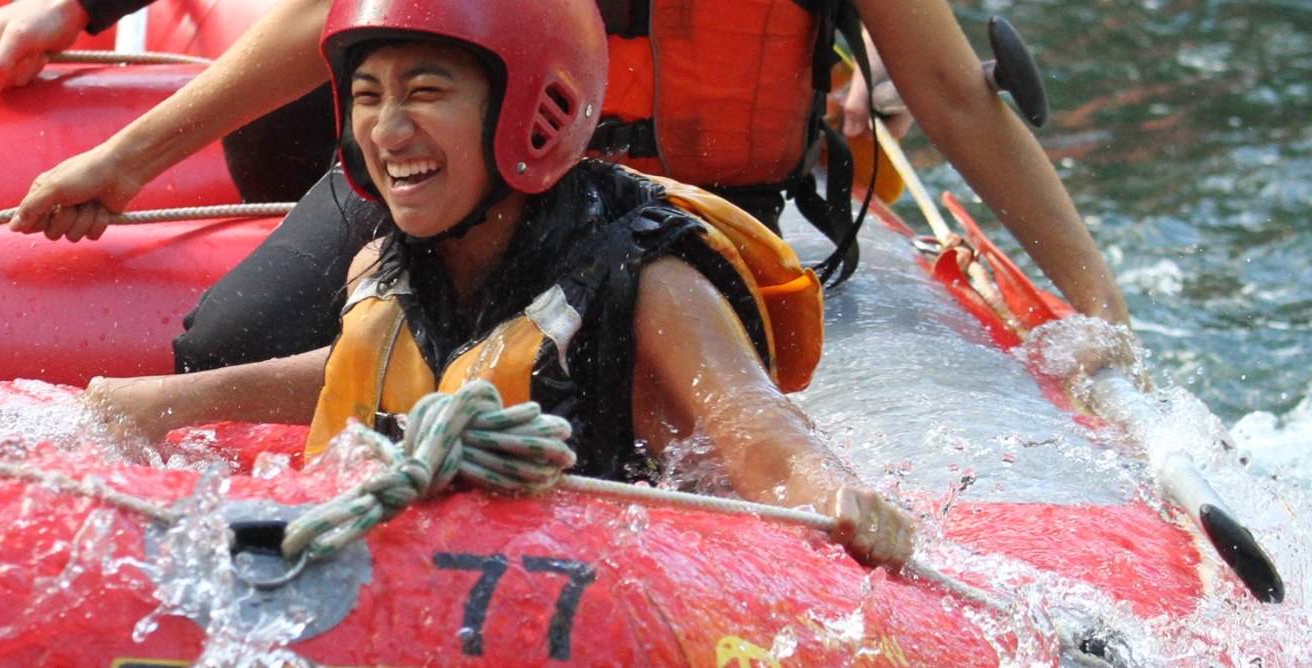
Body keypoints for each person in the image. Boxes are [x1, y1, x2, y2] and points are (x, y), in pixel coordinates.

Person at [80, 0, 916, 568]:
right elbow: (389, 373)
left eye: (425, 92)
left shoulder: (652, 283)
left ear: (531, 109)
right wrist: (174, 401)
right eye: (367, 97)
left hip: (607, 584)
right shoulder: (384, 266)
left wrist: (845, 502)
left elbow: (766, 436)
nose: (387, 130)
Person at [0, 0, 1130, 374]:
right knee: (225, 348)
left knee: (623, 410)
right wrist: (126, 159)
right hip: (470, 185)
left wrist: (1097, 307)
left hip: (693, 222)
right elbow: (333, 15)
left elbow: (955, 95)